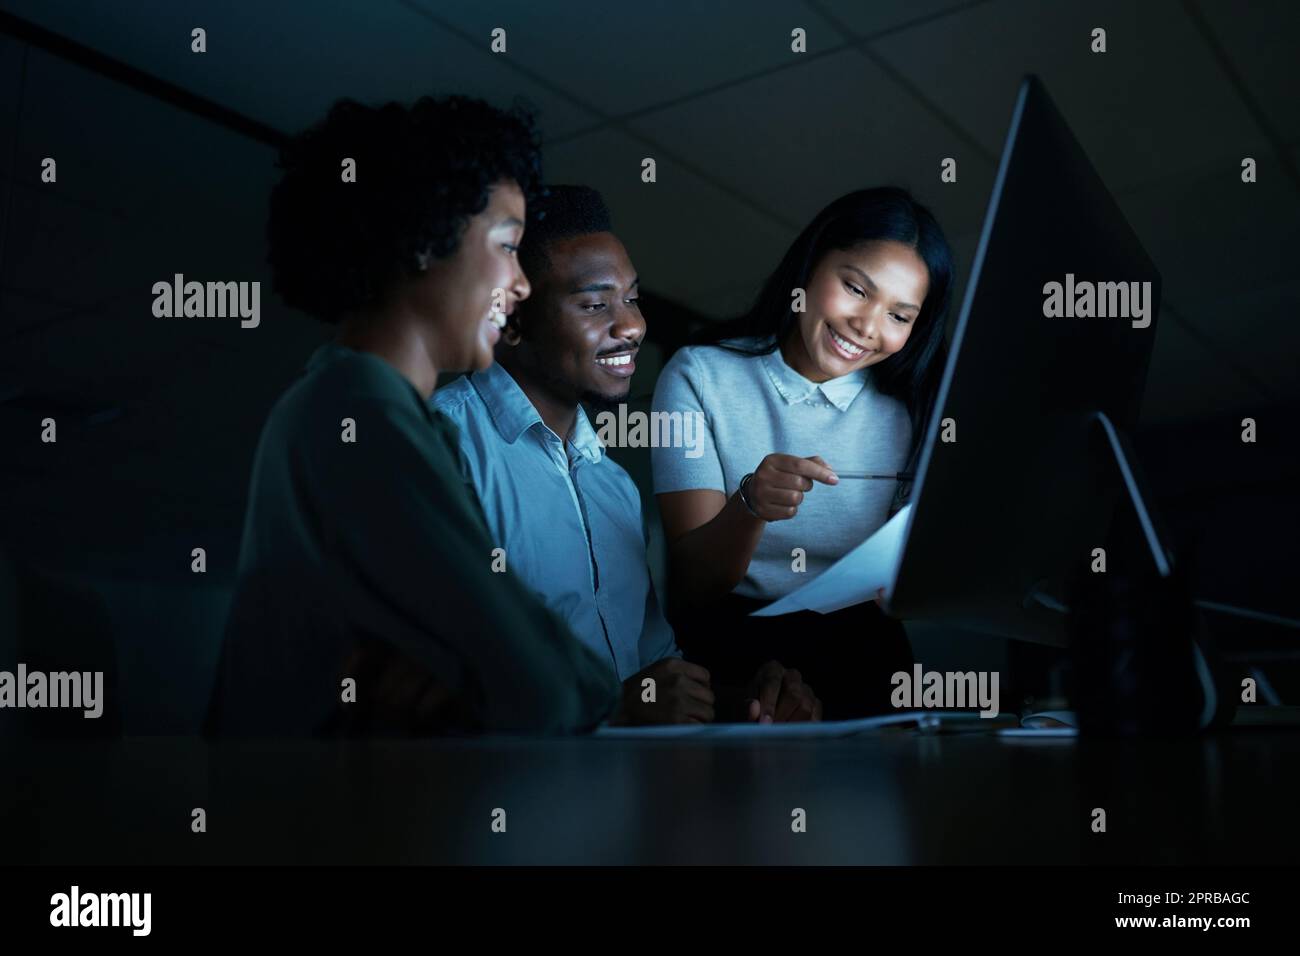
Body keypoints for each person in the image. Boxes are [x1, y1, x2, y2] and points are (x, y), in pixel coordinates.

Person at [205, 98, 620, 737]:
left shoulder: (353, 405)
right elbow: (549, 689)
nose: (523, 283)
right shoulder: (361, 414)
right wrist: (526, 681)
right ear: (429, 235)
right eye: (509, 246)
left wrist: (461, 680)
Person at [433, 185, 821, 724]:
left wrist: (742, 703)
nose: (633, 326)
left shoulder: (612, 483)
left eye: (632, 299)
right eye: (596, 304)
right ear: (512, 318)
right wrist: (612, 709)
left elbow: (649, 668)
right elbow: (419, 687)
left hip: (623, 797)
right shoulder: (440, 446)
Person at [651, 187, 954, 718]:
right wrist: (750, 507)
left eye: (900, 317)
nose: (868, 327)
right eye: (856, 288)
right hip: (730, 650)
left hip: (867, 657)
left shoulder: (913, 406)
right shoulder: (700, 375)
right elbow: (696, 581)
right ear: (812, 265)